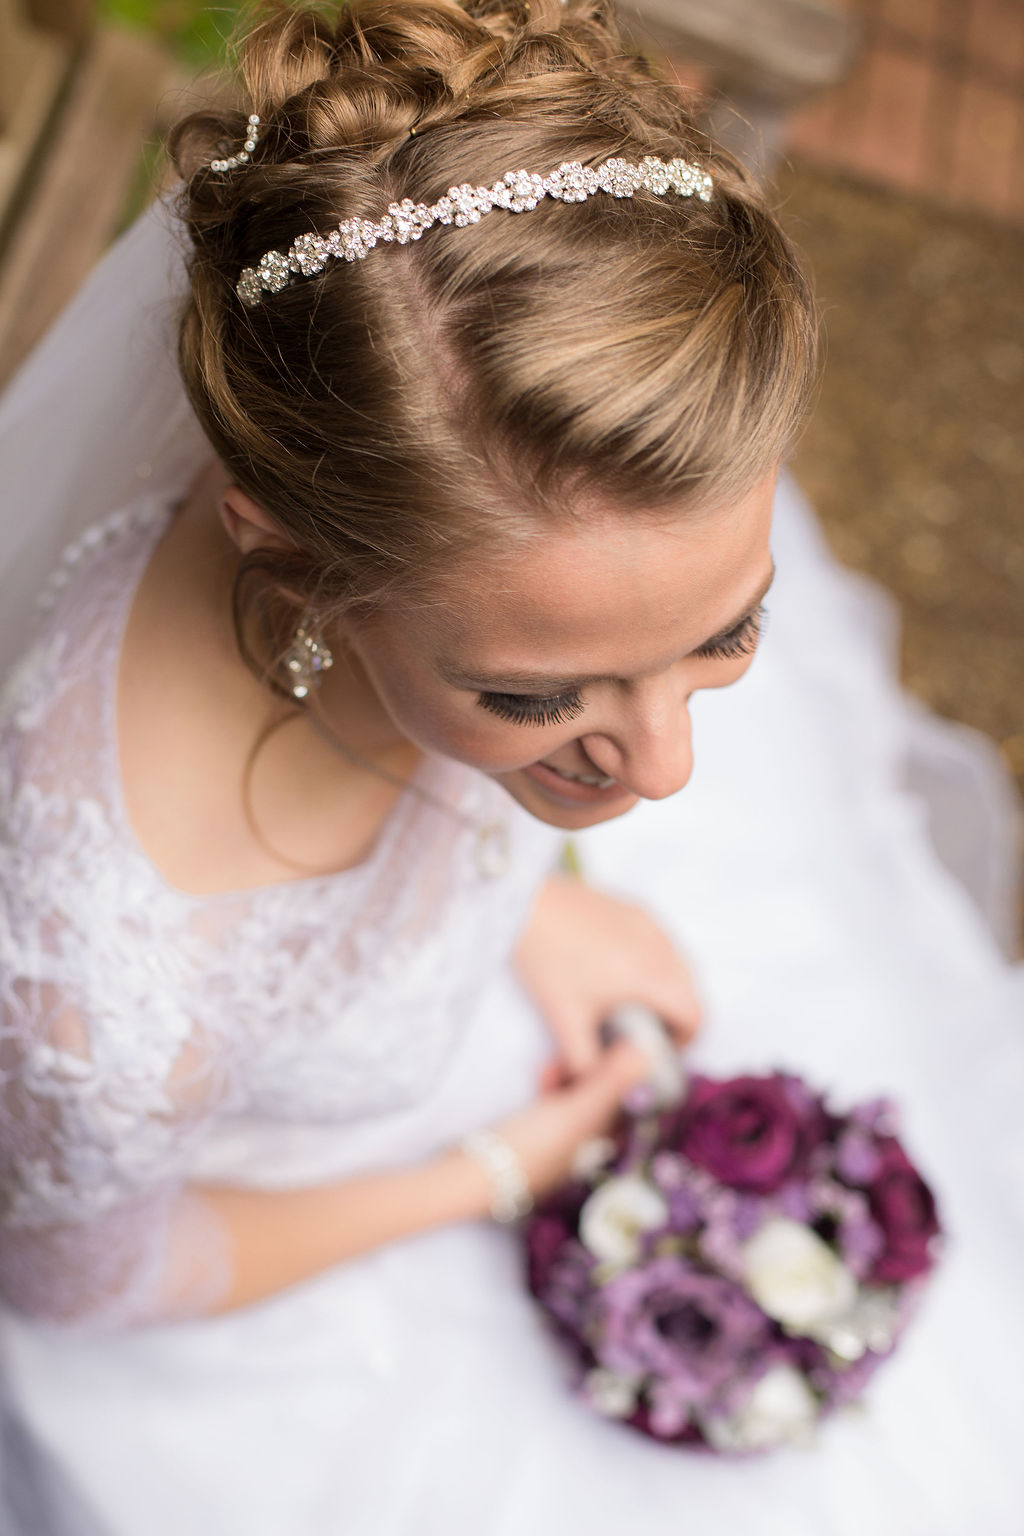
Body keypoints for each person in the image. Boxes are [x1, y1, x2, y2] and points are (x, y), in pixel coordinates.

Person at [0, 1, 1021, 1531]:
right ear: (294, 564)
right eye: (539, 696)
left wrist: (538, 901)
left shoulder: (526, 457)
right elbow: (79, 1281)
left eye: (726, 629)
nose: (665, 766)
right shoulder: (105, 985)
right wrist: (496, 1166)